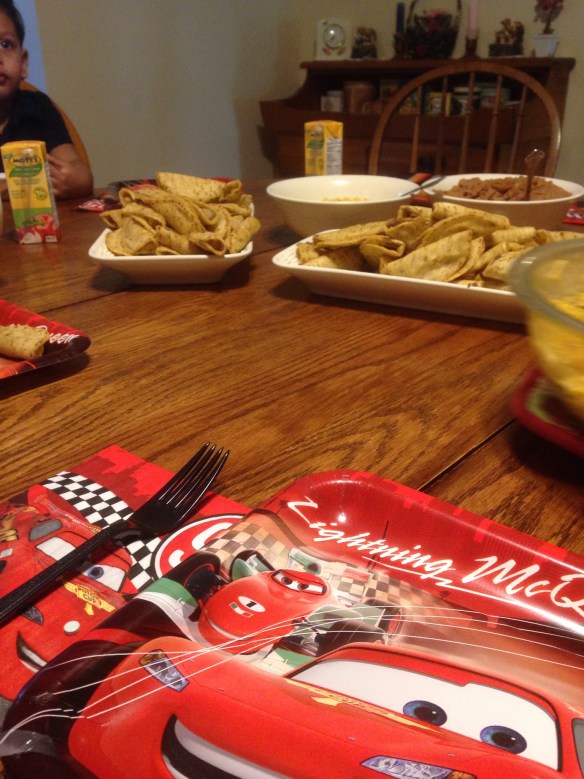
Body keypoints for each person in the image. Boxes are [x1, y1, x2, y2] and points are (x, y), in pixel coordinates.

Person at [0, 0, 93, 198]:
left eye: (5, 44)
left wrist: (73, 179)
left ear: (23, 63)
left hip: (36, 225)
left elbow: (81, 173)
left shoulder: (37, 109)